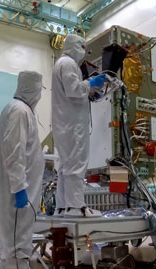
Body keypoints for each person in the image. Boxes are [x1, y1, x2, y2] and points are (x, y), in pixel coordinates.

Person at [0, 71, 45, 269]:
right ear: (33, 88)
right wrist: (20, 188)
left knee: (11, 254)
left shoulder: (18, 109)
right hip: (19, 200)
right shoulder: (20, 110)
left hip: (18, 196)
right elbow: (14, 153)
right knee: (18, 253)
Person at [52, 34, 106, 218]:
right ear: (75, 46)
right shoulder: (67, 64)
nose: (84, 52)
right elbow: (73, 89)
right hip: (73, 124)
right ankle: (76, 207)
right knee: (76, 164)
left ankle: (63, 207)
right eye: (83, 47)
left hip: (65, 123)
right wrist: (91, 82)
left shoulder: (61, 63)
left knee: (66, 166)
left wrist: (89, 87)